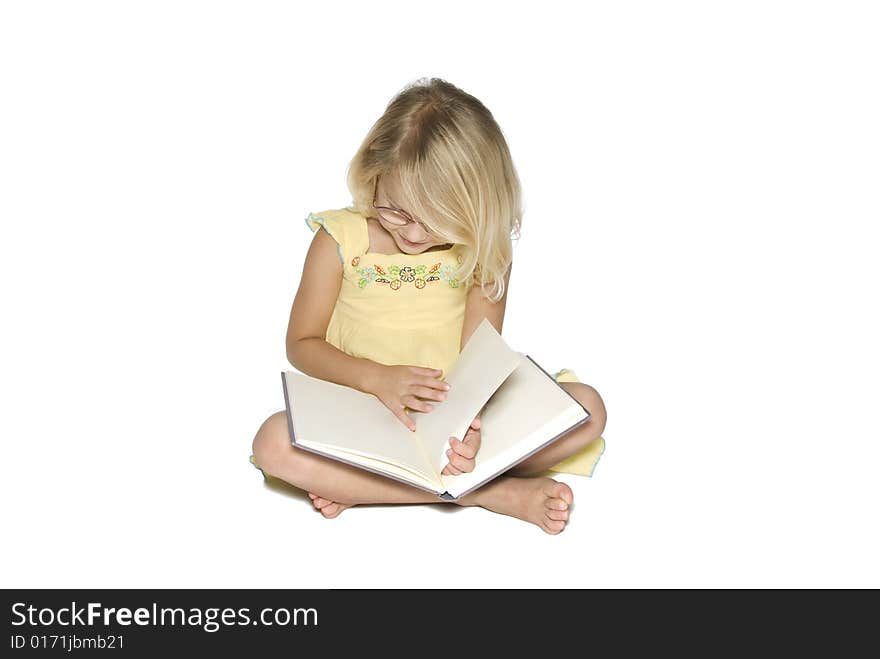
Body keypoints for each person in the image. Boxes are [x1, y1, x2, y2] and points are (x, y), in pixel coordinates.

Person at [251, 77, 606, 534]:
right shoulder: (338, 240)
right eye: (396, 210)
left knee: (586, 408)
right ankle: (491, 492)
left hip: (452, 413)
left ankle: (375, 488)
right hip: (363, 411)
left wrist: (470, 430)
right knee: (274, 443)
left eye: (438, 219)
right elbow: (301, 344)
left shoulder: (481, 249)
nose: (415, 234)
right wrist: (378, 379)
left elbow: (478, 363)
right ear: (373, 173)